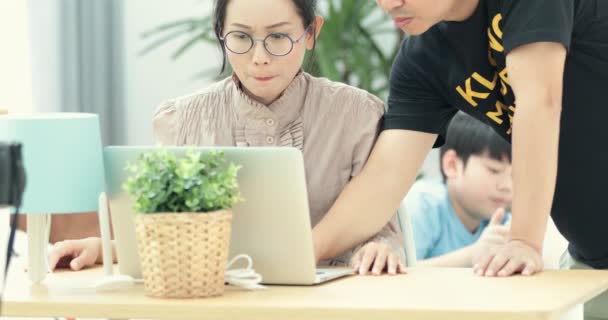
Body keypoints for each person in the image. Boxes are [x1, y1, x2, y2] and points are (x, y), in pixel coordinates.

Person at [48, 0, 406, 276]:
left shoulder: (357, 115)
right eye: (241, 37)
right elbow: (166, 237)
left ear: (311, 32)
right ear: (220, 32)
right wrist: (102, 248)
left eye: (279, 37)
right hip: (218, 301)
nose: (259, 58)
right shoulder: (181, 120)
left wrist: (378, 250)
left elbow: (382, 232)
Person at [311, 0, 608, 318]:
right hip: (593, 257)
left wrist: (523, 240)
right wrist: (299, 256)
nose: (389, 4)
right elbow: (382, 179)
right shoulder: (423, 59)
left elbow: (539, 103)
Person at [406, 112, 512, 267]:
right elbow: (397, 275)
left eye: (517, 176)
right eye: (494, 170)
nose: (507, 186)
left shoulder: (501, 220)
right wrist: (472, 255)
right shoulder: (422, 205)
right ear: (452, 165)